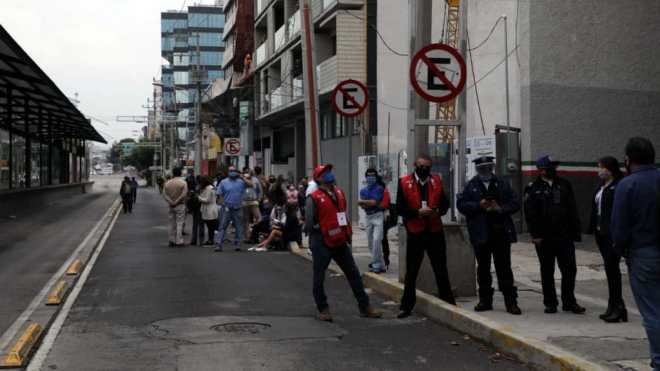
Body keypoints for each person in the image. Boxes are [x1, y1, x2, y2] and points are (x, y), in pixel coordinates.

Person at [305, 164, 382, 321]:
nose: (329, 174)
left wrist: (347, 233)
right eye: (325, 173)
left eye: (330, 171)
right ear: (318, 178)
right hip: (321, 241)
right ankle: (323, 309)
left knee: (353, 274)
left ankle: (365, 306)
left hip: (339, 240)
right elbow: (309, 222)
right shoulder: (313, 197)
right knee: (319, 277)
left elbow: (343, 213)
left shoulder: (339, 192)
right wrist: (320, 230)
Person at [612, 137, 660, 369]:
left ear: (628, 160)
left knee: (652, 311)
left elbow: (619, 228)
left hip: (644, 254)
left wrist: (620, 251)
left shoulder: (628, 185)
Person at [457, 156, 521, 315]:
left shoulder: (503, 183)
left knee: (504, 269)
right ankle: (485, 301)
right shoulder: (471, 185)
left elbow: (515, 203)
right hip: (480, 234)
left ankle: (511, 302)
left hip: (500, 234)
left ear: (492, 167)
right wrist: (478, 205)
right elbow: (462, 205)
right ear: (478, 169)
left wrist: (500, 208)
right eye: (482, 168)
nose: (486, 171)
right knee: (483, 269)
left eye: (488, 167)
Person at [396, 154, 455, 319]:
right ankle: (406, 305)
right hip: (415, 232)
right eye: (420, 166)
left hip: (435, 230)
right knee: (412, 271)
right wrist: (417, 212)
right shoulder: (404, 182)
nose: (423, 169)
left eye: (427, 167)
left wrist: (436, 211)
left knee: (441, 268)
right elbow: (400, 208)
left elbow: (445, 204)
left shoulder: (436, 181)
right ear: (415, 165)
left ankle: (448, 302)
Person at [524, 155, 585, 314]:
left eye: (553, 167)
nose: (552, 170)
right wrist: (535, 235)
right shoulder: (533, 187)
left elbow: (572, 209)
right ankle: (550, 302)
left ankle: (569, 301)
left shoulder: (564, 184)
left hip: (564, 235)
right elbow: (530, 214)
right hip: (544, 237)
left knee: (569, 270)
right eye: (549, 167)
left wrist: (575, 232)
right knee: (547, 270)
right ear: (541, 169)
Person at [588, 156, 626, 323]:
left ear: (610, 168)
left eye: (601, 167)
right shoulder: (602, 186)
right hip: (601, 233)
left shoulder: (619, 186)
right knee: (609, 270)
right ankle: (614, 305)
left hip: (612, 234)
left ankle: (618, 307)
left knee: (613, 270)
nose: (599, 171)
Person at [215, 165, 253, 252]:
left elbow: (251, 185)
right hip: (226, 208)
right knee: (222, 226)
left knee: (239, 226)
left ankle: (238, 244)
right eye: (230, 171)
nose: (232, 172)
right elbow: (220, 195)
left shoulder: (241, 182)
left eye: (234, 170)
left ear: (237, 172)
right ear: (228, 172)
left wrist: (243, 177)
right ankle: (218, 244)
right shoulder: (223, 182)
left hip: (238, 207)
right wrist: (222, 205)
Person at [358, 168, 387, 273]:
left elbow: (374, 202)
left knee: (376, 240)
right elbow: (363, 206)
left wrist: (363, 202)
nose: (371, 178)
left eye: (373, 176)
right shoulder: (363, 190)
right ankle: (382, 264)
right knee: (371, 243)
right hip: (368, 217)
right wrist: (365, 203)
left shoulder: (379, 188)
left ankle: (376, 265)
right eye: (369, 176)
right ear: (366, 177)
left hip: (378, 216)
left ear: (376, 177)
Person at [163, 168, 188, 247]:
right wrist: (177, 202)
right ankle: (179, 241)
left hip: (171, 205)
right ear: (180, 173)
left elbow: (164, 194)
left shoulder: (167, 183)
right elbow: (184, 194)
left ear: (173, 173)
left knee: (171, 223)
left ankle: (171, 240)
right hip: (180, 205)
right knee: (179, 223)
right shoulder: (183, 183)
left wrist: (171, 202)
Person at [242, 168, 262, 241]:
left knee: (258, 218)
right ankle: (247, 236)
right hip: (244, 201)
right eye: (246, 172)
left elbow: (259, 190)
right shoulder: (242, 179)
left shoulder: (255, 180)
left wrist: (259, 198)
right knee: (245, 219)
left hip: (253, 201)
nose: (247, 173)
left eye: (249, 172)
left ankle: (256, 233)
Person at [198, 176, 219, 246]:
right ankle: (211, 240)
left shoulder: (209, 188)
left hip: (209, 209)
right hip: (210, 208)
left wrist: (198, 197)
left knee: (210, 226)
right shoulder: (211, 188)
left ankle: (211, 240)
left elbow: (207, 200)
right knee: (211, 226)